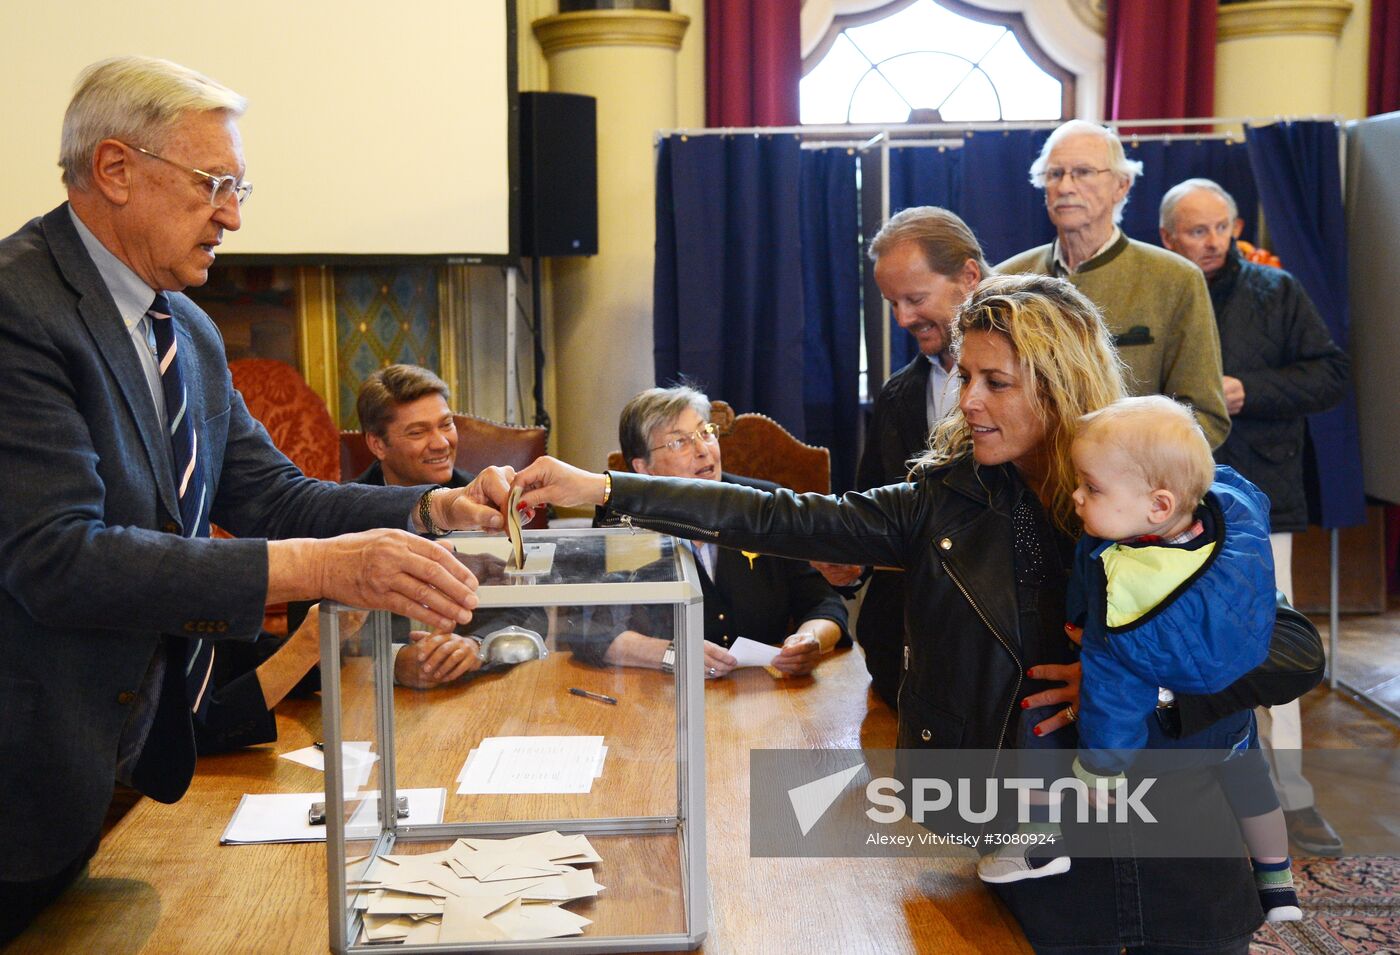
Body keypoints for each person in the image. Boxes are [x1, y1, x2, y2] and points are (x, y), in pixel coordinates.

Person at [515, 274, 1326, 952]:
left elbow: (1294, 649)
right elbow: (783, 516)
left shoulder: (1170, 489)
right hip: (1039, 852)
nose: (966, 399)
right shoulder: (945, 501)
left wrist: (1146, 686)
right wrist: (610, 488)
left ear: (1060, 381)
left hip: (1178, 833)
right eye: (965, 376)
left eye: (994, 382)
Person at [0, 56, 510, 940]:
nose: (233, 214)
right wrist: (328, 569)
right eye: (214, 185)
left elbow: (273, 496)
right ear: (115, 170)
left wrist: (432, 512)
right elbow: (60, 558)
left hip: (128, 761)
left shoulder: (186, 328)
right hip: (24, 779)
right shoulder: (18, 308)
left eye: (240, 186)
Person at [979, 396, 1300, 923]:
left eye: (1093, 488)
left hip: (1164, 733)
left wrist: (1103, 771)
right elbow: (1243, 492)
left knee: (1040, 721)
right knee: (1252, 779)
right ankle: (1277, 879)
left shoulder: (1124, 602)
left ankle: (1042, 843)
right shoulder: (1229, 520)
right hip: (1230, 719)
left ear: (1157, 506)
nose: (1078, 497)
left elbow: (1113, 699)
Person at [1159, 178, 1350, 857]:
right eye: (1196, 230)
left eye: (1221, 228)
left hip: (1262, 494)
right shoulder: (1160, 290)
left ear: (1236, 225)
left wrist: (1249, 391)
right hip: (1168, 503)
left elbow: (1330, 375)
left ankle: (1292, 795)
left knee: (1276, 642)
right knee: (1169, 642)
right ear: (1167, 236)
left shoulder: (1278, 291)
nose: (1212, 242)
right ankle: (1190, 792)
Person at [816, 205, 989, 706]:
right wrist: (852, 562)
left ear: (969, 276)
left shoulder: (1044, 377)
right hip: (905, 663)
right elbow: (874, 510)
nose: (903, 319)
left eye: (915, 298)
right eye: (892, 302)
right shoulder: (896, 397)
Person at [562, 385, 849, 678]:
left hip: (764, 694)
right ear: (644, 468)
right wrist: (670, 653)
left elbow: (823, 604)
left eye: (706, 432)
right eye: (679, 443)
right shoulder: (625, 524)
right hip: (661, 697)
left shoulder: (764, 507)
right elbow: (587, 628)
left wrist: (810, 640)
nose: (703, 450)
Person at [998, 120, 1230, 449]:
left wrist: (1128, 474)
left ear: (1121, 185)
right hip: (1027, 494)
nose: (1065, 186)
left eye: (1082, 172)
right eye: (1054, 174)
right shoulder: (1007, 279)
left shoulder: (1176, 280)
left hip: (1130, 491)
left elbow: (1204, 417)